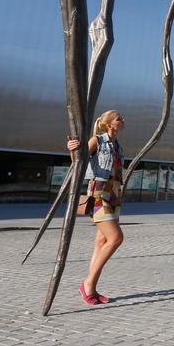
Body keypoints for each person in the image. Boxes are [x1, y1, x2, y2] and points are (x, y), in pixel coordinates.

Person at [67, 109, 125, 306]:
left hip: (114, 194)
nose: (123, 120)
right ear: (109, 124)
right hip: (99, 193)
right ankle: (87, 285)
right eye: (119, 119)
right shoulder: (97, 141)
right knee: (116, 238)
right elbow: (78, 162)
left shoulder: (117, 145)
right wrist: (72, 149)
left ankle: (92, 287)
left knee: (101, 243)